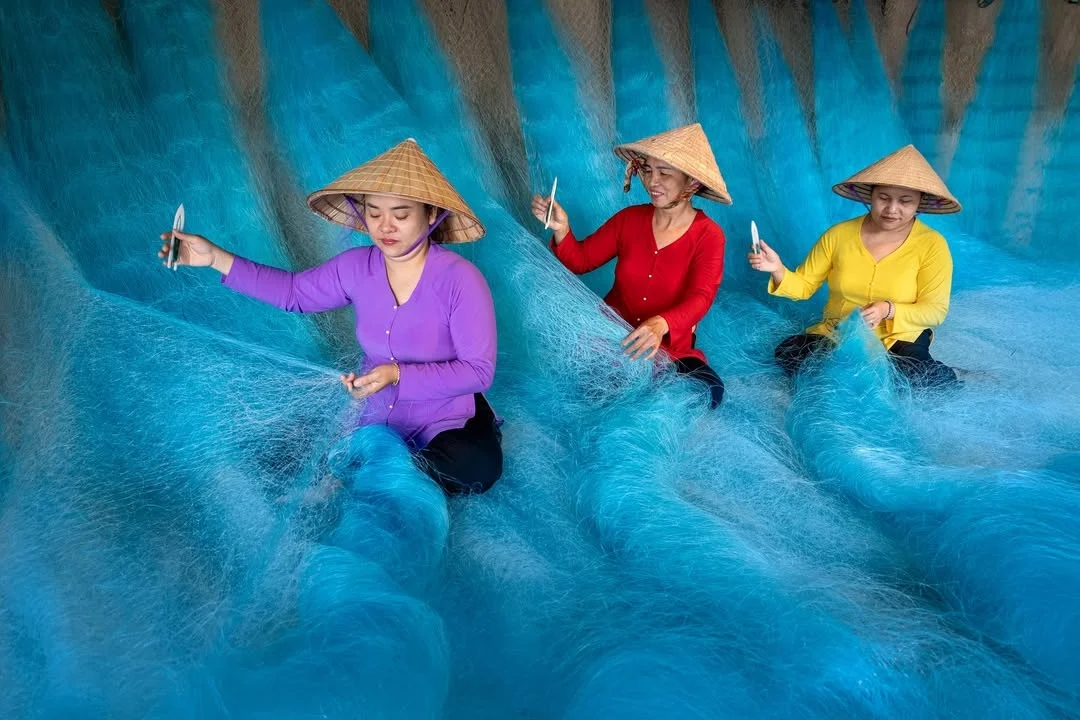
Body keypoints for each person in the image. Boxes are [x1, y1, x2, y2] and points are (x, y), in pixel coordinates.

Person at [157, 138, 503, 495]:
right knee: (288, 458)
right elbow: (293, 293)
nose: (385, 226)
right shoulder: (355, 267)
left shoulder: (461, 279)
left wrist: (397, 374)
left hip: (443, 417)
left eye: (401, 215)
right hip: (375, 410)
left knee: (476, 468)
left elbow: (478, 371)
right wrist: (215, 257)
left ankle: (456, 441)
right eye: (374, 213)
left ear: (431, 215)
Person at [532, 123, 730, 408]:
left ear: (693, 183)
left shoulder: (709, 235)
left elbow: (701, 297)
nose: (652, 182)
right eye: (647, 170)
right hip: (612, 340)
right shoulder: (628, 219)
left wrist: (660, 324)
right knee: (596, 391)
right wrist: (562, 229)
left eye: (664, 173)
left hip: (671, 349)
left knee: (708, 392)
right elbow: (581, 260)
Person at [748, 144, 960, 389]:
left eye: (905, 201)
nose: (892, 209)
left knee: (922, 379)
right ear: (870, 195)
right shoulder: (838, 235)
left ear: (919, 203)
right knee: (790, 353)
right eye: (883, 198)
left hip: (899, 337)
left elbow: (935, 311)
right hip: (839, 333)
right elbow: (804, 286)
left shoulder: (933, 245)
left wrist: (888, 310)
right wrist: (777, 269)